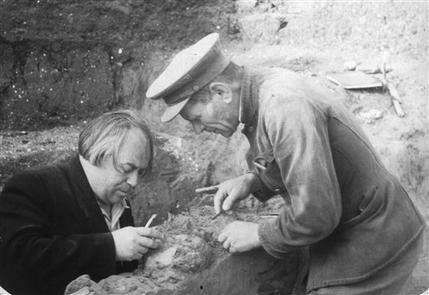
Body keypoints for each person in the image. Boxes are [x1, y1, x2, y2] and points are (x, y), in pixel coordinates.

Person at [146, 33, 425, 294]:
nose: (197, 129)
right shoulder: (259, 88)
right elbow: (306, 160)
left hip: (374, 238)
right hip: (356, 227)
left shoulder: (284, 105)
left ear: (220, 92)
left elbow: (317, 214)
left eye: (196, 118)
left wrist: (259, 233)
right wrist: (253, 181)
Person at [0, 109, 163, 295]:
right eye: (127, 168)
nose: (134, 182)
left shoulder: (117, 197)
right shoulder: (33, 186)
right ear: (99, 152)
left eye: (140, 172)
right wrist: (112, 246)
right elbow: (20, 259)